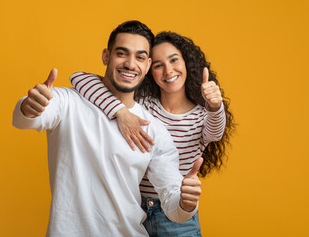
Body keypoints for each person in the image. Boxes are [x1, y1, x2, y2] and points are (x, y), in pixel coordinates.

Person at [12, 21, 203, 236]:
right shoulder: (67, 102)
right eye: (122, 53)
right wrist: (30, 106)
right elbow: (24, 119)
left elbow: (173, 207)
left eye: (140, 57)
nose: (131, 64)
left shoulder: (154, 130)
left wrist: (187, 203)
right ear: (106, 56)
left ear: (148, 65)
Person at [70, 31, 235, 236]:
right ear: (149, 69)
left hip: (176, 216)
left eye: (174, 60)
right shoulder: (143, 103)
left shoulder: (201, 116)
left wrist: (215, 105)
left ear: (187, 64)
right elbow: (80, 79)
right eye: (158, 65)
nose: (168, 70)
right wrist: (120, 111)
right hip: (131, 209)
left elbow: (216, 132)